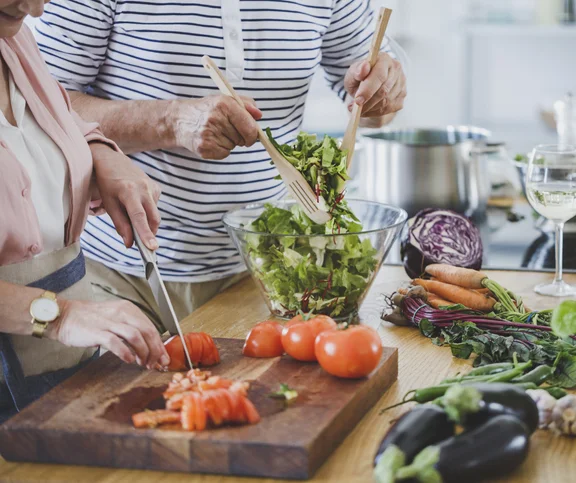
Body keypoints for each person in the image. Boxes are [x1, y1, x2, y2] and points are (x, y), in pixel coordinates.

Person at [30, 0, 407, 332]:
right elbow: (36, 103)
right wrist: (171, 121)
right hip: (121, 272)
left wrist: (382, 92)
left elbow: (372, 105)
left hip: (265, 274)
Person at [0, 0, 168, 423]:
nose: (36, 8)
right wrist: (60, 315)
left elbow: (58, 120)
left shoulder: (14, 40)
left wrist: (99, 154)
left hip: (63, 367)